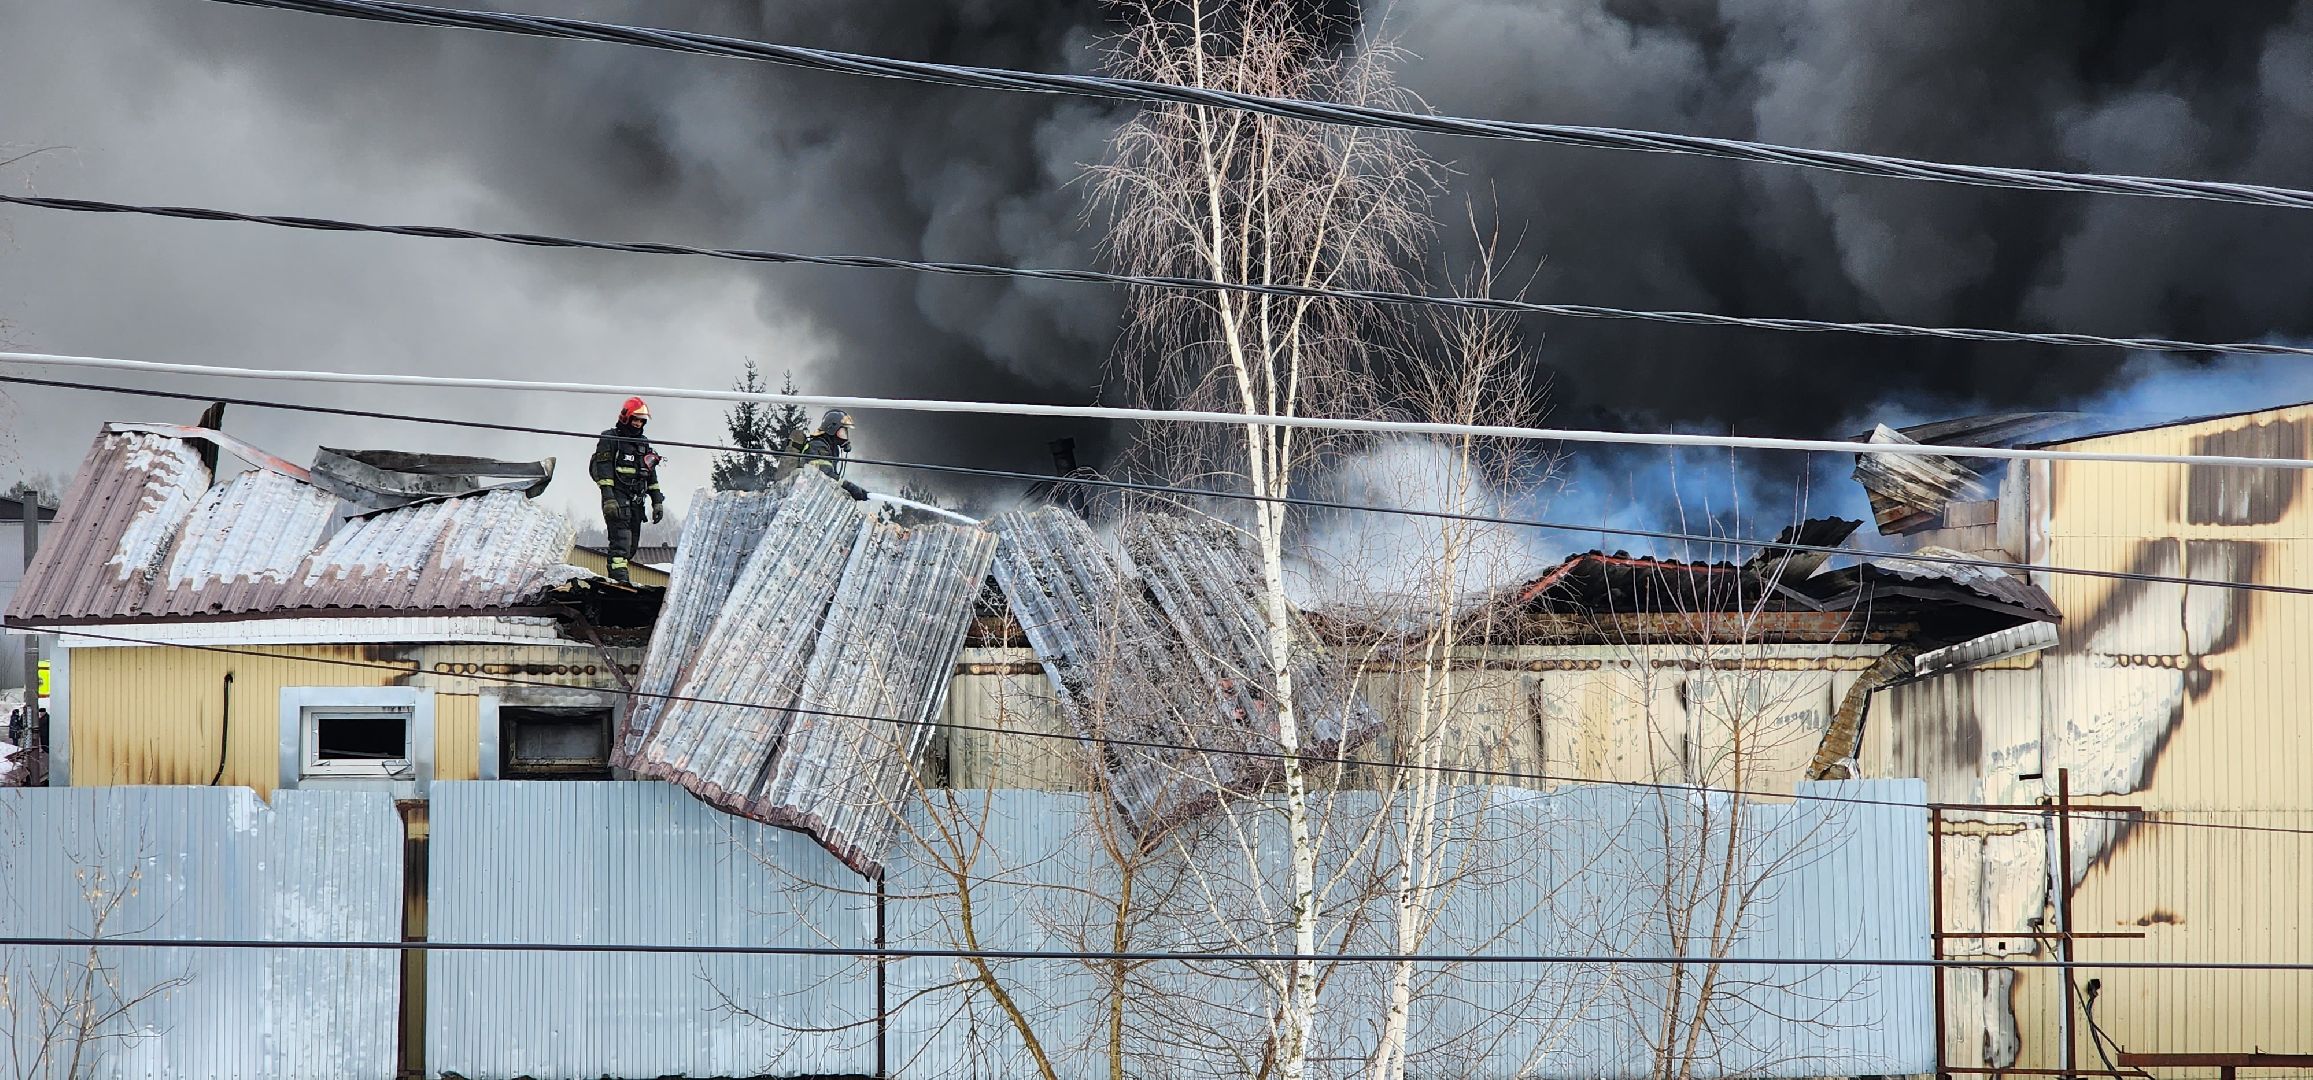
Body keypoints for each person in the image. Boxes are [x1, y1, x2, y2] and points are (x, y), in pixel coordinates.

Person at [589, 396, 665, 584]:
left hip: (637, 502)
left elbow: (651, 475)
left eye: (641, 420)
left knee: (631, 547)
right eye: (635, 419)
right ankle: (620, 583)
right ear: (626, 417)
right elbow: (603, 468)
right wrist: (608, 498)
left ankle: (619, 578)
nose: (638, 423)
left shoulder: (644, 444)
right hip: (617, 499)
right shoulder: (610, 438)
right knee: (621, 545)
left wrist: (657, 501)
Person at [802, 409, 869, 500]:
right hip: (807, 495)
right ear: (832, 428)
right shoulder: (818, 446)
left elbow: (832, 478)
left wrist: (858, 492)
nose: (845, 436)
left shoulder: (832, 448)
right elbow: (825, 474)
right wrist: (851, 488)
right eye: (843, 431)